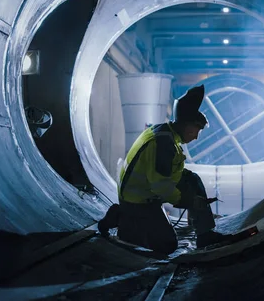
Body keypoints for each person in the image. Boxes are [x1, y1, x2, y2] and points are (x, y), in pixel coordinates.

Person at [97, 85, 231, 254]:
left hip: (141, 192)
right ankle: (121, 217)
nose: (196, 136)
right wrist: (189, 201)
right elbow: (161, 187)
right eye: (195, 131)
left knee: (192, 178)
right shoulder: (164, 144)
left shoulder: (164, 132)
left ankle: (205, 235)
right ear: (186, 124)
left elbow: (165, 173)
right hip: (139, 201)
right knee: (167, 246)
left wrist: (190, 195)